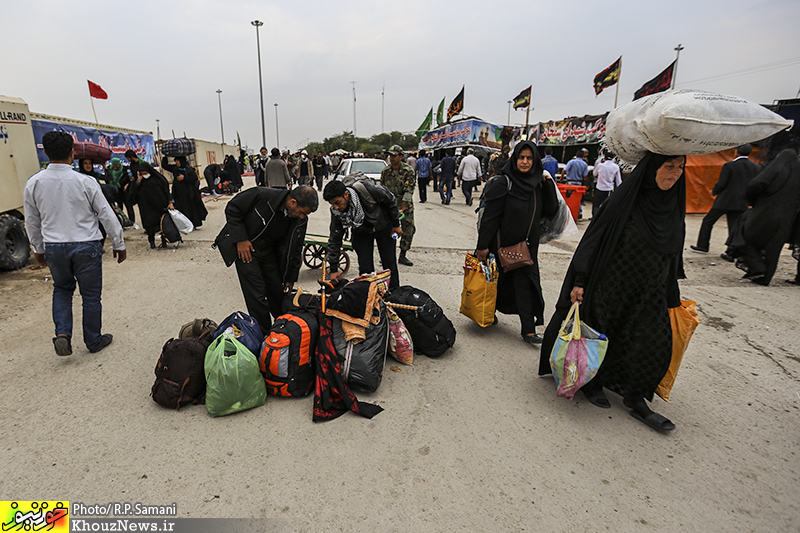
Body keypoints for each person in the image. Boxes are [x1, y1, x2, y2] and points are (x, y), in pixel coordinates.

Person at [541, 152, 688, 432]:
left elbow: (672, 255)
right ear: (652, 169)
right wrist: (580, 280)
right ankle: (592, 384)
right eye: (669, 166)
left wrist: (671, 293)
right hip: (612, 287)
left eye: (681, 167)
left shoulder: (672, 207)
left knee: (650, 343)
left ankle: (636, 398)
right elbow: (593, 241)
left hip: (650, 292)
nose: (676, 172)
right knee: (600, 337)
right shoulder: (624, 203)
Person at [23, 131, 126, 356]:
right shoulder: (85, 181)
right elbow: (106, 214)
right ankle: (93, 340)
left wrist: (37, 248)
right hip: (86, 245)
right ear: (72, 153)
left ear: (46, 153)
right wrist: (119, 243)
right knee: (90, 296)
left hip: (54, 246)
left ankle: (62, 334)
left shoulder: (34, 183)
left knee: (61, 289)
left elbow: (31, 221)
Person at [476, 141, 558, 345]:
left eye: (529, 158)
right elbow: (490, 218)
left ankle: (528, 330)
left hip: (526, 249)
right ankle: (486, 313)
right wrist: (483, 246)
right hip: (500, 247)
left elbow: (550, 210)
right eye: (521, 157)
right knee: (495, 283)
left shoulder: (538, 183)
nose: (525, 162)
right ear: (514, 159)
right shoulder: (503, 182)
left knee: (526, 287)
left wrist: (548, 183)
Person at [218, 186, 318, 335]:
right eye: (301, 212)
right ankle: (263, 335)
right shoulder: (262, 195)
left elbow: (296, 248)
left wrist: (291, 277)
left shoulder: (299, 221)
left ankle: (285, 329)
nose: (302, 217)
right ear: (292, 202)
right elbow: (233, 208)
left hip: (270, 253)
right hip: (247, 251)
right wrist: (241, 239)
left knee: (277, 291)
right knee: (257, 297)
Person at [732, 136, 800, 286]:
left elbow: (756, 184)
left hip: (765, 213)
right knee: (773, 248)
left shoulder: (776, 170)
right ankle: (765, 277)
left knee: (744, 236)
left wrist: (752, 201)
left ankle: (756, 268)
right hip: (787, 218)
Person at [324, 179, 402, 290]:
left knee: (389, 265)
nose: (336, 207)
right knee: (365, 270)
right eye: (332, 204)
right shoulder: (337, 212)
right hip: (361, 232)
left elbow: (391, 201)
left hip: (383, 227)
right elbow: (335, 238)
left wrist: (396, 224)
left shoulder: (369, 190)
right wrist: (333, 269)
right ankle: (368, 298)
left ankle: (394, 295)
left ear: (346, 194)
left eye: (337, 202)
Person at [691, 144, 762, 257]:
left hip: (725, 200)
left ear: (736, 152)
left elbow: (722, 183)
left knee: (708, 221)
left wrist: (714, 191)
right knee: (735, 227)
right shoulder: (756, 168)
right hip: (741, 201)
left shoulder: (729, 166)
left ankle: (703, 245)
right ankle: (731, 252)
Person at [381, 144, 416, 266]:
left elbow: (409, 190)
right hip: (389, 207)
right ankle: (388, 255)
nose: (391, 158)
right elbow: (382, 189)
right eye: (390, 155)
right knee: (388, 232)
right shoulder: (386, 171)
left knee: (408, 230)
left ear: (401, 156)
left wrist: (402, 208)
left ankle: (403, 255)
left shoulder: (408, 171)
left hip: (405, 206)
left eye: (394, 156)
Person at [132, 164, 174, 249]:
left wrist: (170, 202)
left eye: (145, 173)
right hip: (147, 208)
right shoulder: (140, 182)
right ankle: (151, 242)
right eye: (142, 173)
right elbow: (134, 194)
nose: (145, 175)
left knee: (162, 225)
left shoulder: (159, 179)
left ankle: (164, 241)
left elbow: (166, 191)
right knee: (149, 226)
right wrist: (138, 182)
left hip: (160, 206)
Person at [161, 156, 208, 228]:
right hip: (178, 194)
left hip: (189, 194)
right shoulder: (175, 168)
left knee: (190, 210)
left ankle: (192, 224)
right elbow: (165, 166)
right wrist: (165, 156)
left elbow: (194, 179)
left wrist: (184, 178)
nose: (176, 162)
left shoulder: (188, 169)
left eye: (178, 161)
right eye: (175, 161)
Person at [591, 150, 622, 216]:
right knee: (607, 205)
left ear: (604, 157)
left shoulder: (600, 165)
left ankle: (595, 218)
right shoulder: (616, 167)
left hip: (599, 188)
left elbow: (594, 174)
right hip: (609, 189)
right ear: (613, 157)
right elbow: (618, 181)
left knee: (596, 204)